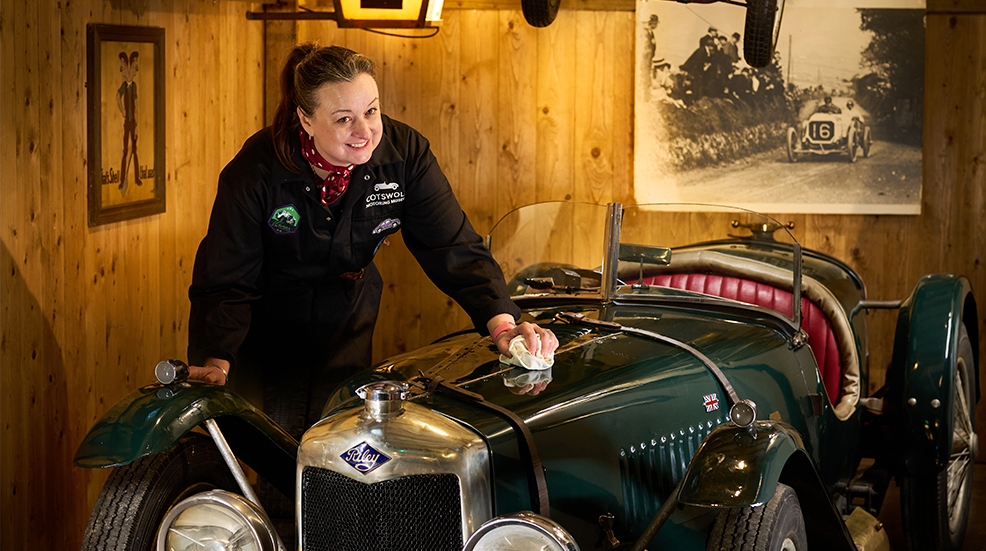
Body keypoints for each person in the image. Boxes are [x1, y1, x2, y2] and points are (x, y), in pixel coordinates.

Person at [186, 44, 558, 439]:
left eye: (371, 111)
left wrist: (503, 323)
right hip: (265, 320)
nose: (364, 132)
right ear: (305, 120)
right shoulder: (255, 170)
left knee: (337, 439)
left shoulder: (405, 154)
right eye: (344, 118)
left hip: (348, 313)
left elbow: (451, 245)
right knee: (270, 445)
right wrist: (217, 360)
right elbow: (228, 275)